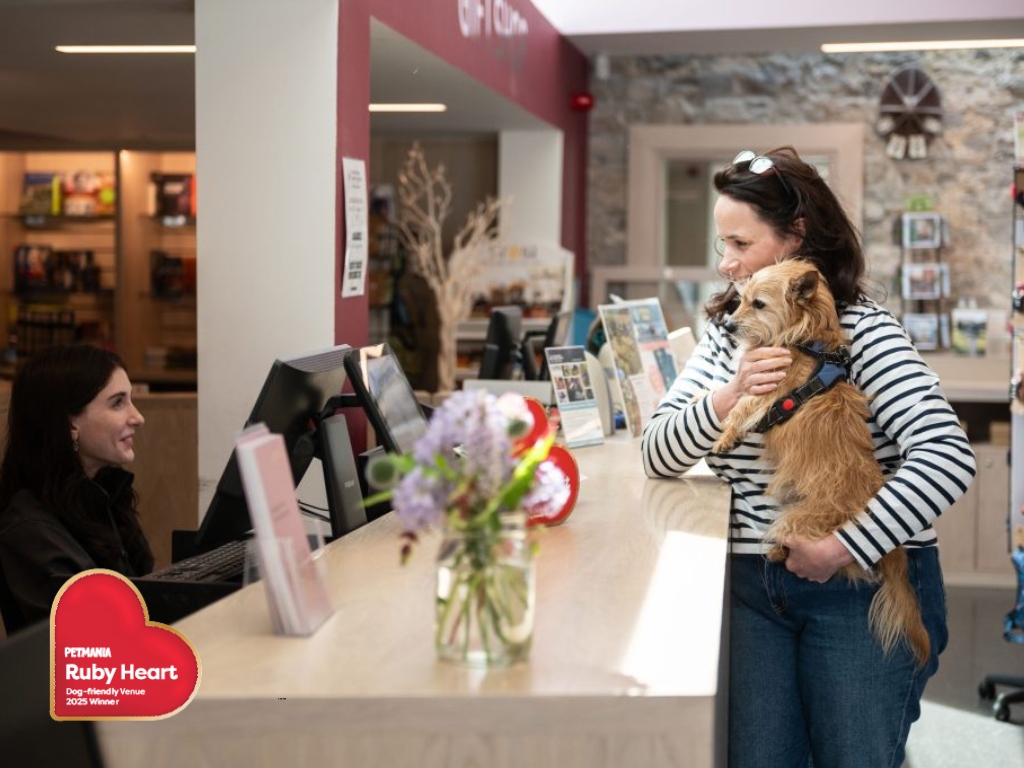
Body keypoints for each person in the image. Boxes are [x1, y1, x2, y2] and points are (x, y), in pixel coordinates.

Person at [641, 147, 977, 768]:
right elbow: (657, 452)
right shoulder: (729, 336)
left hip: (860, 581)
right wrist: (730, 393)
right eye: (723, 245)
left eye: (741, 244)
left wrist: (844, 544)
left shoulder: (863, 332)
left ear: (795, 238)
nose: (726, 263)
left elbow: (946, 456)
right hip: (751, 586)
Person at [0, 344, 153, 634]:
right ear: (70, 423)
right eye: (117, 403)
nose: (137, 417)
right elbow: (97, 641)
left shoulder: (102, 495)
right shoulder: (29, 531)